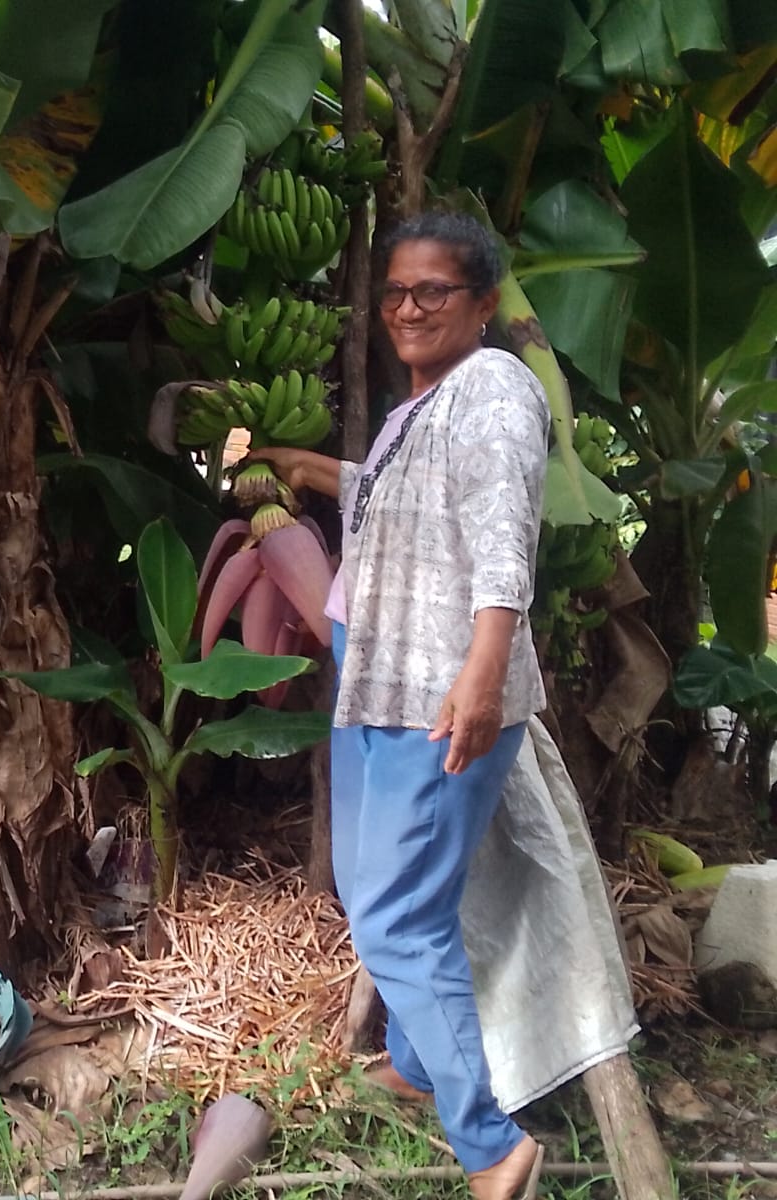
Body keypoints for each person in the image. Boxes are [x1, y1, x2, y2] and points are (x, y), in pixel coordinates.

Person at [251, 211, 548, 1200]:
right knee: (389, 891)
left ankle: (492, 1145)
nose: (409, 308)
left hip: (438, 689)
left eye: (434, 291)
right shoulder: (423, 404)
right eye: (395, 293)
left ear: (483, 303)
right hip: (381, 679)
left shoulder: (493, 390)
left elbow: (504, 534)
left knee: (391, 914)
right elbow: (401, 501)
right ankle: (422, 1069)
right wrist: (314, 471)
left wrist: (484, 670)